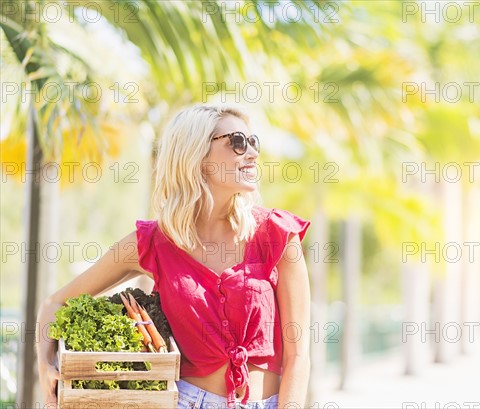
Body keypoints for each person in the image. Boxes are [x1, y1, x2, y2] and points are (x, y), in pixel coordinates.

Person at [37, 104, 312, 409]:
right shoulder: (154, 242)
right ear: (195, 154)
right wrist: (45, 366)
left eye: (253, 142)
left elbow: (298, 355)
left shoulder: (277, 235)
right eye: (237, 142)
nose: (251, 153)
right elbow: (55, 303)